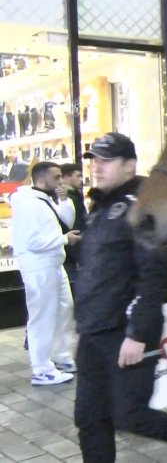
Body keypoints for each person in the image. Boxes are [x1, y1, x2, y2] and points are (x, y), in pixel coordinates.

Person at [74, 132, 167, 462]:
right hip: (93, 331)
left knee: (130, 414)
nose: (97, 168)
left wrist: (138, 334)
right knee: (89, 418)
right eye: (94, 161)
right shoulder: (101, 207)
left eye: (106, 160)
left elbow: (153, 276)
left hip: (124, 331)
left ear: (129, 166)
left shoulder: (141, 207)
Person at [11, 161, 80, 385]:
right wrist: (64, 239)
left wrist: (63, 200)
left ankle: (60, 356)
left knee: (64, 309)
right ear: (41, 179)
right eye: (57, 177)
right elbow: (32, 241)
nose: (61, 181)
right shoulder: (28, 204)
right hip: (39, 267)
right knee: (42, 316)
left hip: (53, 264)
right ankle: (41, 369)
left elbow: (66, 220)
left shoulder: (43, 199)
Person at [60, 162, 87, 295]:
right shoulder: (69, 199)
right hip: (72, 256)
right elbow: (75, 228)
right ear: (66, 177)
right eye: (78, 176)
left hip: (70, 255)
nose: (81, 179)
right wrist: (81, 257)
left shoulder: (74, 196)